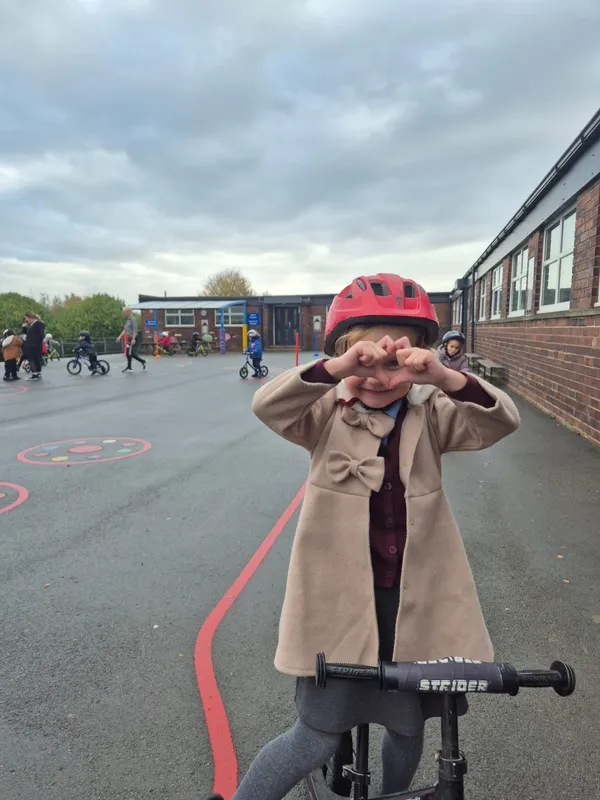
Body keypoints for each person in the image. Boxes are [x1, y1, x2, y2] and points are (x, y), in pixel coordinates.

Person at [206, 274, 520, 800]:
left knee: (407, 729)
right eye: (363, 360)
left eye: (394, 362)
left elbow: (498, 423)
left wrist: (443, 376)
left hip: (411, 599)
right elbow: (268, 406)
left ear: (418, 358)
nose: (378, 375)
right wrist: (338, 370)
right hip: (339, 600)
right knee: (314, 736)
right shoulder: (324, 412)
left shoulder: (431, 409)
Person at [116, 308, 147, 373]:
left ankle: (129, 367)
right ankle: (143, 361)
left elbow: (135, 330)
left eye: (124, 312)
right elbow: (125, 330)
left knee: (129, 353)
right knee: (131, 353)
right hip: (129, 338)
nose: (124, 314)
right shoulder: (128, 320)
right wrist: (119, 337)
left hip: (133, 338)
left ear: (128, 312)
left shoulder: (133, 319)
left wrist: (133, 339)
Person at [22, 312, 45, 380]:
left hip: (34, 345)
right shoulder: (32, 325)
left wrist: (34, 342)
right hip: (32, 345)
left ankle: (35, 373)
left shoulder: (38, 324)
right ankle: (36, 373)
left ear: (30, 317)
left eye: (27, 319)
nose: (27, 321)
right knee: (33, 359)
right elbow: (28, 334)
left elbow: (41, 335)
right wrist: (24, 328)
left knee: (33, 359)